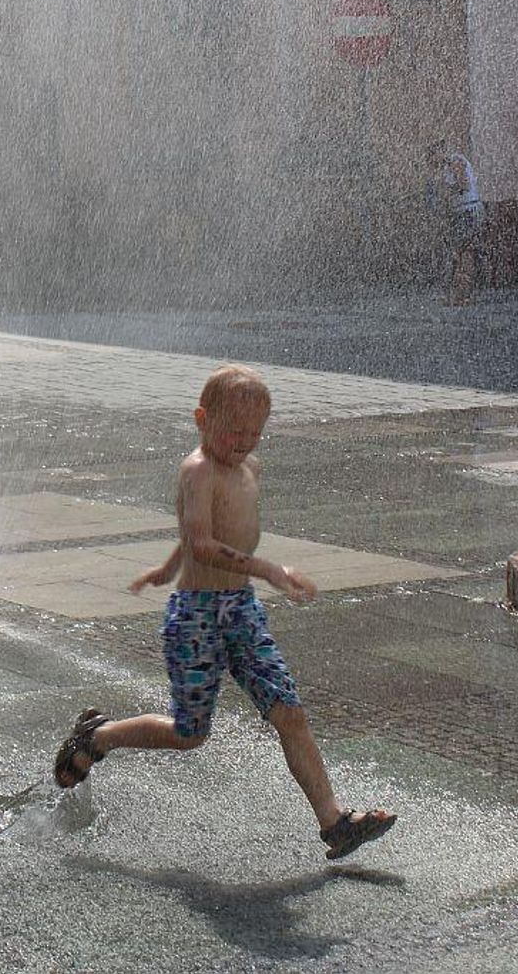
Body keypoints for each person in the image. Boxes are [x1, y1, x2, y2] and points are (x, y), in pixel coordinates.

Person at [52, 364, 397, 862]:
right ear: (201, 419)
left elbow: (198, 536)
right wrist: (265, 569)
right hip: (197, 618)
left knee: (290, 712)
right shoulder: (197, 471)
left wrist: (168, 565)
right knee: (189, 734)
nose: (243, 442)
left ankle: (334, 824)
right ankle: (99, 737)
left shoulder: (248, 469)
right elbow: (201, 540)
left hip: (241, 612)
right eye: (233, 430)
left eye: (254, 433)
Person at [427, 142, 484, 306]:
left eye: (434, 157)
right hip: (459, 214)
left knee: (464, 253)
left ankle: (463, 295)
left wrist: (445, 189)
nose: (433, 162)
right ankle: (459, 294)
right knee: (458, 254)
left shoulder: (456, 160)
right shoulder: (444, 168)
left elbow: (464, 184)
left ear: (442, 151)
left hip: (469, 211)